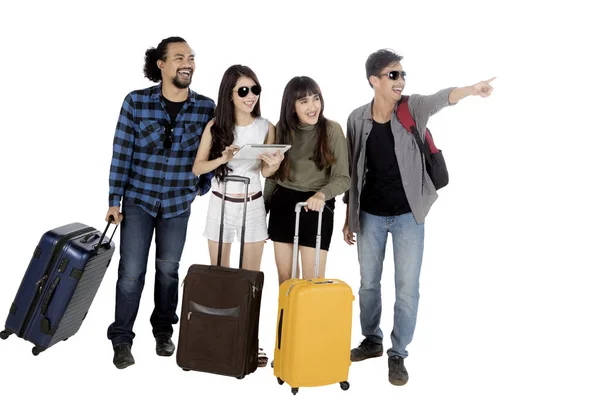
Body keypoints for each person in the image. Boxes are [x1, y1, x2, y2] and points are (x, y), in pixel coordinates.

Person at [342, 48, 495, 386]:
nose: (401, 81)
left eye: (402, 75)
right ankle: (373, 340)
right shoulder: (356, 118)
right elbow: (352, 170)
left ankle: (398, 354)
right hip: (369, 215)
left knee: (407, 288)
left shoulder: (412, 108)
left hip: (409, 215)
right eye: (393, 75)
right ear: (374, 80)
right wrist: (348, 216)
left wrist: (471, 89)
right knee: (368, 285)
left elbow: (443, 98)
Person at [105, 36, 215, 370]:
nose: (188, 63)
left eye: (192, 57)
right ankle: (122, 338)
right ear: (161, 64)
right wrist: (114, 201)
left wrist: (200, 186)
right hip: (138, 201)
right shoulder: (136, 103)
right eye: (180, 57)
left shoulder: (205, 107)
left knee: (168, 270)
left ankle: (163, 331)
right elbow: (121, 153)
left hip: (178, 204)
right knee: (131, 273)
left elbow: (212, 150)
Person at [192, 65, 282, 367]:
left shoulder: (266, 126)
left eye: (255, 90)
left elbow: (270, 172)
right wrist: (224, 158)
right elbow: (198, 167)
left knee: (250, 280)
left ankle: (250, 342)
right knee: (218, 275)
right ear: (230, 94)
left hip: (252, 204)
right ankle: (219, 337)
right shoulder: (216, 125)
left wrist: (273, 163)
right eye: (243, 91)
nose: (250, 96)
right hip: (220, 203)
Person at [265, 76, 350, 285]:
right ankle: (286, 319)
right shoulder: (282, 129)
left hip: (316, 205)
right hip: (283, 204)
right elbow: (274, 177)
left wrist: (321, 195)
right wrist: (263, 208)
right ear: (292, 106)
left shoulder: (332, 130)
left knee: (313, 282)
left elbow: (343, 178)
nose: (313, 107)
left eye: (316, 99)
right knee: (286, 281)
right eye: (304, 101)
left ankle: (309, 319)